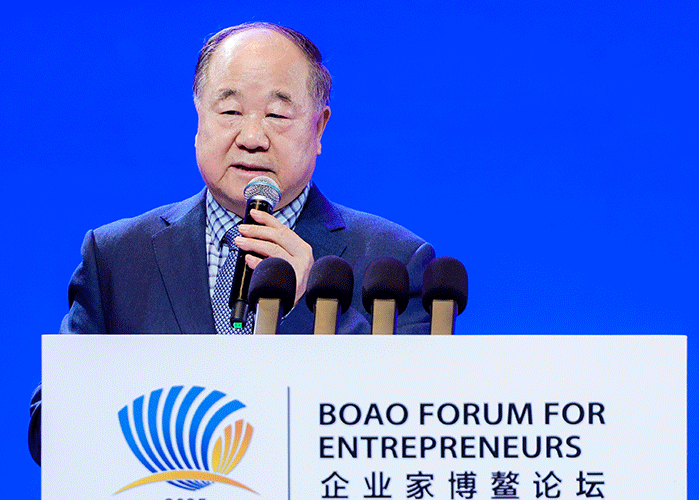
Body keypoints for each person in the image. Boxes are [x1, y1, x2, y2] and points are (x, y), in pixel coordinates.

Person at [28, 22, 435, 464]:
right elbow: (50, 435)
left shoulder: (394, 263)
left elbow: (414, 437)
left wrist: (306, 309)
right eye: (230, 111)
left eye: (277, 115)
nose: (252, 138)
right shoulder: (117, 256)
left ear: (319, 128)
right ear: (199, 119)